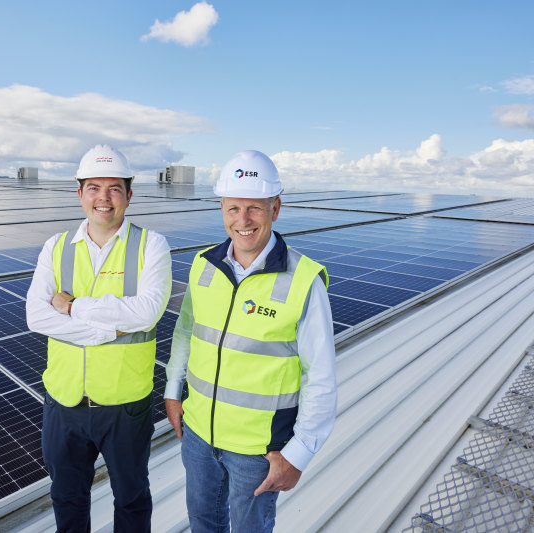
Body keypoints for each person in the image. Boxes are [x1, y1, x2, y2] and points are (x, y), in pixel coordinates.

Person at [164, 150, 337, 532]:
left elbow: (321, 376)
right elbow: (185, 333)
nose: (242, 220)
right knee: (202, 523)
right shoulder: (203, 265)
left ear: (276, 208)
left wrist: (298, 454)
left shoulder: (303, 281)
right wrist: (173, 392)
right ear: (222, 209)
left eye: (255, 208)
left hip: (258, 450)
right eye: (233, 208)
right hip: (198, 435)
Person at [26, 144, 172, 533]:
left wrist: (73, 307)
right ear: (80, 194)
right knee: (67, 496)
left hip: (125, 405)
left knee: (131, 497)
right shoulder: (56, 247)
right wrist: (110, 327)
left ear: (129, 195)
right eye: (93, 188)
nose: (103, 198)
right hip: (64, 402)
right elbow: (36, 316)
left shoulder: (151, 245)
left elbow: (147, 312)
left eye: (114, 189)